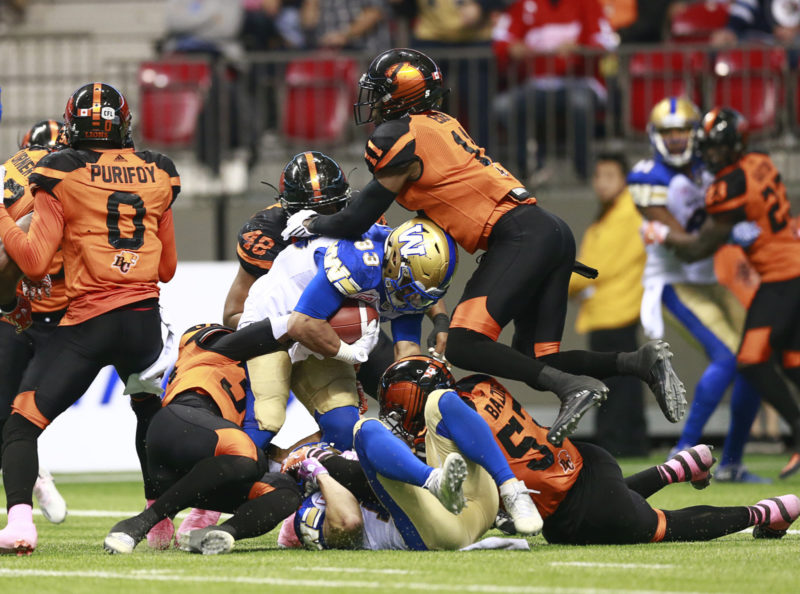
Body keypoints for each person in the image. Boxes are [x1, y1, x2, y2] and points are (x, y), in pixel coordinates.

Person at [281, 47, 687, 447]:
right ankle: (636, 362)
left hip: (518, 235)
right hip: (545, 230)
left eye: (381, 91)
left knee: (462, 343)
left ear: (403, 92)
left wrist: (311, 221)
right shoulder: (439, 123)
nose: (374, 102)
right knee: (536, 359)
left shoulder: (399, 134)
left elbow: (355, 222)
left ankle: (572, 387)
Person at [0, 83, 179, 555]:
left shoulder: (62, 169)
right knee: (150, 415)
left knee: (22, 423)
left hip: (87, 322)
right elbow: (167, 269)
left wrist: (1, 217)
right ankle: (158, 524)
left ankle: (20, 524)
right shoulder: (160, 170)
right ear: (124, 123)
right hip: (144, 321)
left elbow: (35, 262)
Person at [381, 356, 800, 545]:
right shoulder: (478, 385)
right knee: (608, 501)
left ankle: (768, 513)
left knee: (664, 527)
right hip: (585, 460)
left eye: (403, 404)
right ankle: (682, 467)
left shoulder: (447, 421)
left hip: (577, 505)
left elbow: (479, 494)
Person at [647, 106, 800, 480]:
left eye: (717, 149)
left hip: (783, 277)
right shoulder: (760, 162)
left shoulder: (727, 186)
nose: (710, 156)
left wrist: (665, 235)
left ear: (734, 146)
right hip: (791, 269)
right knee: (792, 362)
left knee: (749, 360)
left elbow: (700, 247)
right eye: (708, 148)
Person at [274, 355, 542, 551]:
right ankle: (435, 481)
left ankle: (511, 488)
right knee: (365, 428)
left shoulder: (341, 465)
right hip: (435, 529)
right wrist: (319, 468)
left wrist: (316, 459)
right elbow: (348, 518)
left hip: (473, 502)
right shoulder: (314, 504)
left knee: (442, 399)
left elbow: (350, 471)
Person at [632, 96, 767, 482]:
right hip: (674, 282)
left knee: (756, 360)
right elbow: (684, 243)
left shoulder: (709, 169)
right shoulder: (647, 175)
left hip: (710, 280)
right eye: (668, 132)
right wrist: (726, 231)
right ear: (655, 136)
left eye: (682, 131)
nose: (676, 140)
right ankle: (683, 451)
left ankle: (732, 463)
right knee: (727, 357)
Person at [239, 216, 458, 453]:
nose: (414, 300)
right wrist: (350, 353)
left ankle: (283, 465)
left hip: (319, 333)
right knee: (265, 421)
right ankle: (237, 470)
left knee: (344, 430)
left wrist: (420, 387)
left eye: (423, 296)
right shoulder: (359, 263)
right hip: (276, 321)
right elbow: (300, 324)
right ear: (394, 259)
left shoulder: (408, 281)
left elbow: (407, 352)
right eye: (410, 287)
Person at [103, 321, 300, 554]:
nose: (223, 339)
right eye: (215, 336)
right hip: (180, 425)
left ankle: (217, 534)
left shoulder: (251, 376)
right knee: (249, 456)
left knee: (287, 492)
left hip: (206, 469)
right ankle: (140, 523)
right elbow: (282, 326)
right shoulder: (209, 355)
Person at [222, 151, 395, 399]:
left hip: (356, 327)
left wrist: (436, 316)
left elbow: (404, 271)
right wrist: (297, 325)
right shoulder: (267, 233)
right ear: (288, 211)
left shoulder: (366, 219)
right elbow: (232, 315)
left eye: (331, 208)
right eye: (307, 211)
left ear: (346, 202)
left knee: (403, 389)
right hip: (293, 342)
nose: (319, 217)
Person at [0, 119, 69, 525]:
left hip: (57, 311)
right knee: (15, 415)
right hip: (32, 307)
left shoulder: (17, 173)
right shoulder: (70, 177)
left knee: (18, 415)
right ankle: (34, 479)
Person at [568, 153, 648, 456]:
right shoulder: (611, 213)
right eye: (598, 176)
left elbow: (594, 267)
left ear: (624, 180)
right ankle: (629, 442)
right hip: (610, 311)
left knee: (614, 386)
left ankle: (620, 444)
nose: (601, 183)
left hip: (614, 311)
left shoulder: (625, 214)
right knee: (622, 382)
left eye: (610, 176)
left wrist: (568, 282)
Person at [491, 0, 618, 181]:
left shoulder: (588, 3)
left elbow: (606, 41)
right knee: (503, 106)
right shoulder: (524, 5)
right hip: (537, 84)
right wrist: (511, 48)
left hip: (580, 81)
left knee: (579, 103)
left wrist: (579, 49)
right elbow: (500, 39)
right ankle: (532, 166)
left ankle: (584, 170)